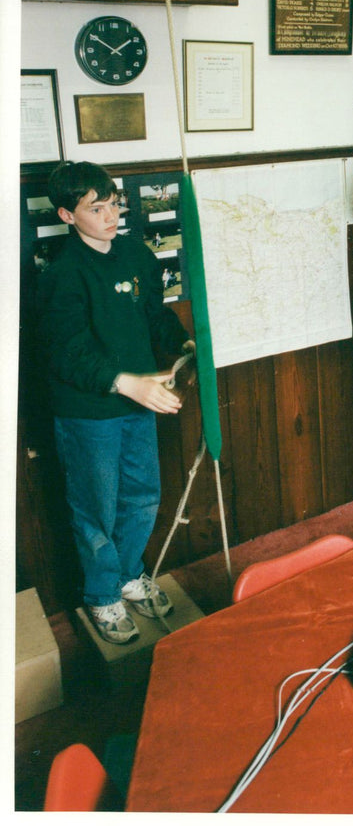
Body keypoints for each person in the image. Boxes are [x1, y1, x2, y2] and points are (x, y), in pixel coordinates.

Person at [37, 161, 195, 644]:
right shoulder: (62, 273)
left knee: (142, 496)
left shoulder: (134, 253)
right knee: (96, 509)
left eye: (114, 204)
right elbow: (68, 354)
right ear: (67, 215)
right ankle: (103, 594)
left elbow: (154, 314)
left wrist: (183, 342)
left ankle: (128, 576)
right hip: (90, 414)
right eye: (96, 209)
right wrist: (126, 383)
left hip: (138, 404)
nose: (111, 216)